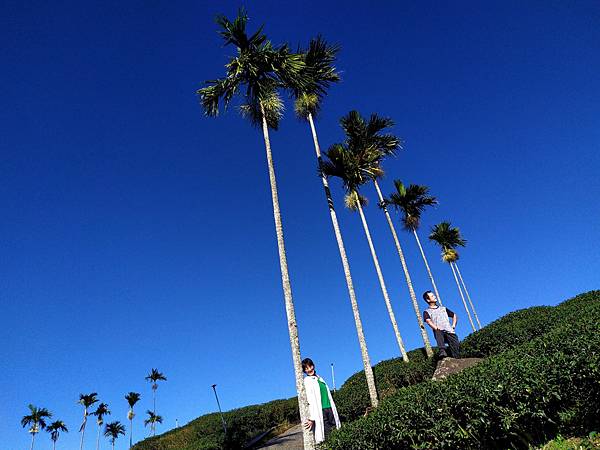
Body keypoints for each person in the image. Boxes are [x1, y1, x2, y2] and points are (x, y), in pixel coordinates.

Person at [302, 358, 340, 443]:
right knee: (327, 436)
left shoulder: (320, 379)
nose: (309, 369)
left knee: (336, 432)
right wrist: (311, 418)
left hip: (330, 408)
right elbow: (309, 399)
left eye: (310, 366)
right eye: (306, 368)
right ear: (305, 371)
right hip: (320, 411)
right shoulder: (307, 381)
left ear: (313, 366)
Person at [422, 291, 460, 358]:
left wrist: (453, 326)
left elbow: (454, 315)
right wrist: (436, 328)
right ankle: (442, 351)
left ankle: (456, 358)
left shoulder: (443, 308)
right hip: (439, 331)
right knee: (438, 333)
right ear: (428, 300)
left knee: (455, 347)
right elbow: (428, 321)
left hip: (450, 331)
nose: (435, 296)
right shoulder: (426, 311)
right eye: (432, 296)